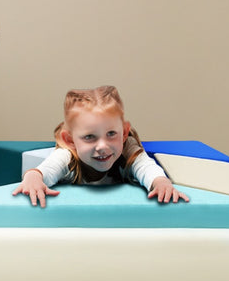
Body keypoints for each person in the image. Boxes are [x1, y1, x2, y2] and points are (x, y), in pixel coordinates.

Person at [13, 86, 189, 208]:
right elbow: (46, 170)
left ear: (125, 132)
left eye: (111, 134)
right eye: (90, 137)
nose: (103, 146)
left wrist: (161, 182)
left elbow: (145, 167)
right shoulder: (68, 155)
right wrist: (34, 178)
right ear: (70, 140)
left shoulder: (127, 146)